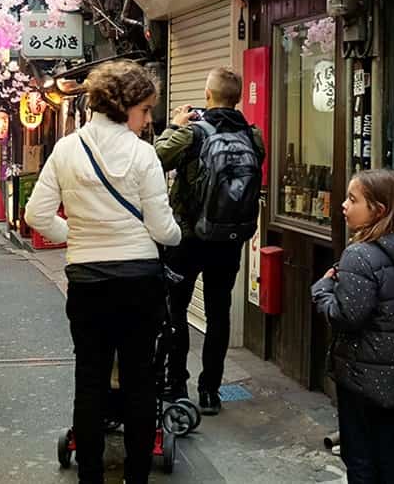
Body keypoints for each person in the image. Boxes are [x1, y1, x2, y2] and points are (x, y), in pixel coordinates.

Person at [25, 60, 181, 484]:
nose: (149, 120)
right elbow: (163, 231)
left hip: (87, 281)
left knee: (90, 378)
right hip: (138, 282)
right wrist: (177, 234)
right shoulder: (142, 153)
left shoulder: (66, 149)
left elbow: (36, 214)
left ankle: (90, 475)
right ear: (125, 104)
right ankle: (135, 477)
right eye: (145, 109)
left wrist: (75, 235)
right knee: (139, 380)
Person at [154, 66, 265, 415]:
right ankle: (210, 391)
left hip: (187, 238)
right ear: (236, 98)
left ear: (207, 95)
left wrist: (175, 125)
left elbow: (155, 157)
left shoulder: (193, 134)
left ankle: (176, 386)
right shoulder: (253, 136)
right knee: (218, 314)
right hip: (228, 239)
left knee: (176, 312)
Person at [310, 168, 394, 483]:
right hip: (393, 372)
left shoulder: (360, 255)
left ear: (377, 210)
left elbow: (346, 315)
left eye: (353, 199)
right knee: (385, 448)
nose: (344, 206)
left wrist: (322, 290)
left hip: (363, 375)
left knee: (360, 456)